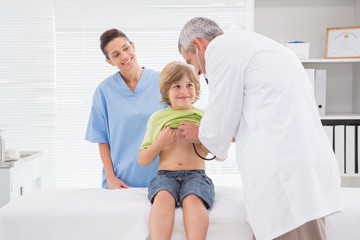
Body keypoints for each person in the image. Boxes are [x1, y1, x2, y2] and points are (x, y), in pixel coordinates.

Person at [177, 17, 342, 240]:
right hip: (300, 167)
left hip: (285, 175)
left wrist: (199, 133)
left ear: (198, 45)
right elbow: (258, 107)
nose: (196, 71)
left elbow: (217, 123)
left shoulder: (220, 49)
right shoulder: (253, 46)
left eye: (190, 61)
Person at [138, 61, 215, 240]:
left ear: (196, 88)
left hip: (196, 175)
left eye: (189, 85)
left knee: (193, 199)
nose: (184, 91)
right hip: (166, 175)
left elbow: (215, 152)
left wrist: (198, 137)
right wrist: (160, 142)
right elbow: (143, 159)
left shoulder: (203, 117)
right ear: (166, 91)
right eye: (176, 86)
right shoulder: (157, 119)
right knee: (163, 198)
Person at [85, 29, 165, 189]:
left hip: (162, 179)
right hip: (121, 182)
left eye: (126, 48)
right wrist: (110, 178)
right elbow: (102, 140)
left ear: (133, 46)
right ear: (109, 61)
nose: (124, 56)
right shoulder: (104, 91)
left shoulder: (162, 82)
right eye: (116, 54)